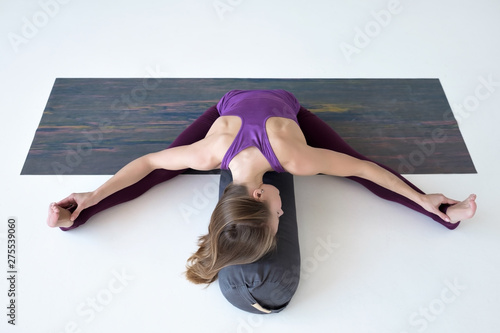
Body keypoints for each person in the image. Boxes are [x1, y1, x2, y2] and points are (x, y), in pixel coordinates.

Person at [47, 89, 477, 286]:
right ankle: (77, 212)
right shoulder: (208, 153)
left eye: (275, 215)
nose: (283, 211)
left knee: (349, 166)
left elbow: (366, 169)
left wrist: (423, 198)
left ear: (257, 196)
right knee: (160, 170)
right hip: (228, 110)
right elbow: (145, 164)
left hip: (286, 105)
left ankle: (439, 211)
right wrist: (92, 196)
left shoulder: (295, 160)